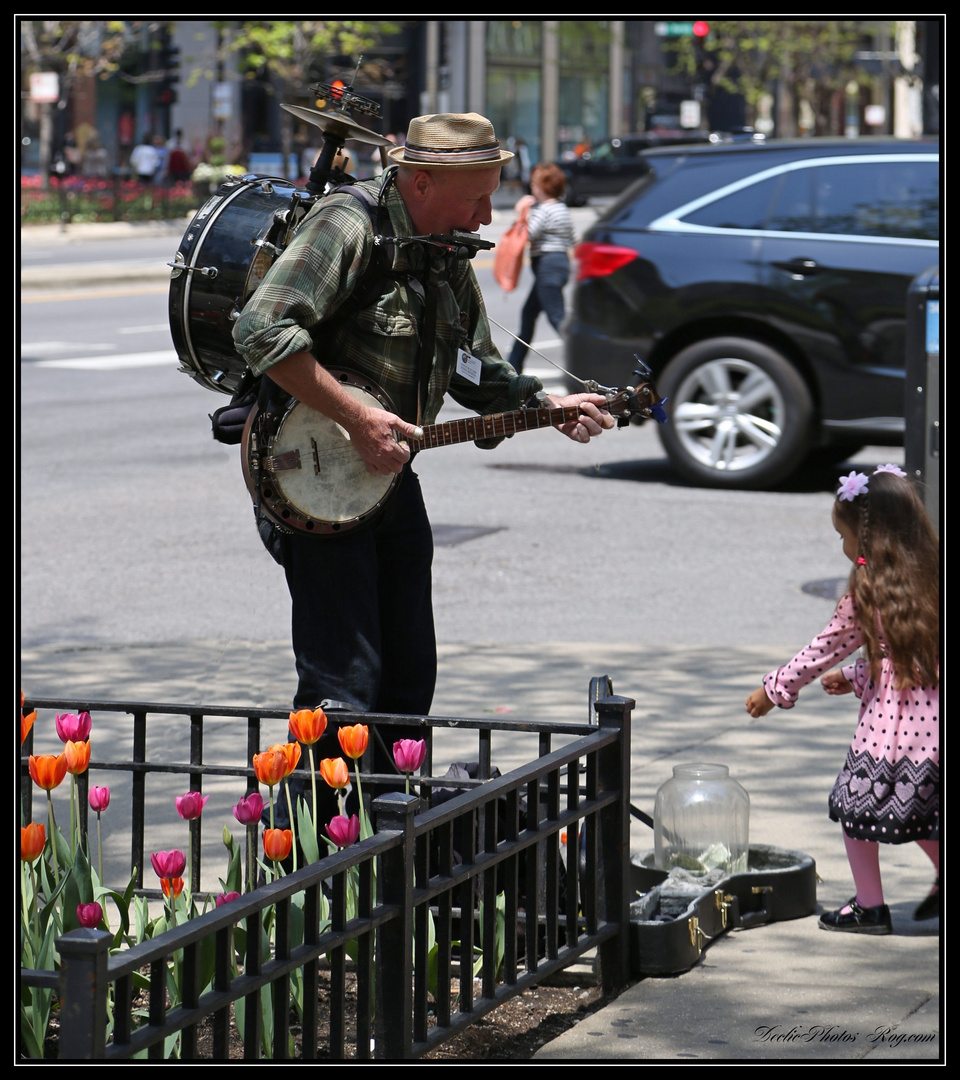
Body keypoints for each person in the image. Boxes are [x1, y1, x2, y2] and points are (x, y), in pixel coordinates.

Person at [233, 112, 615, 821]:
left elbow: (479, 371)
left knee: (410, 670)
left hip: (385, 475)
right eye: (476, 197)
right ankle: (311, 854)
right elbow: (261, 328)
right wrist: (355, 415)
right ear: (421, 179)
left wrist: (548, 405)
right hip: (311, 478)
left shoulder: (443, 250)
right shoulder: (349, 225)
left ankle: (386, 830)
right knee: (342, 681)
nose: (488, 213)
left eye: (493, 194)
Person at [745, 464, 940, 934]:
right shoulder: (934, 577)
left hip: (892, 728)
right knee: (926, 812)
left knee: (855, 807)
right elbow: (916, 657)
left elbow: (823, 647)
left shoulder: (867, 589)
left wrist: (775, 689)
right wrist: (856, 677)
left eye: (843, 535)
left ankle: (870, 907)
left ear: (869, 537)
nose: (843, 547)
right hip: (934, 722)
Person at [506, 163, 575, 374]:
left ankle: (584, 356)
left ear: (544, 187)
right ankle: (513, 364)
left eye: (534, 184)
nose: (532, 188)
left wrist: (521, 212)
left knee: (557, 318)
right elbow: (571, 238)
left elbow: (527, 234)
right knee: (529, 314)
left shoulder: (543, 210)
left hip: (547, 267)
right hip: (560, 264)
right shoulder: (562, 209)